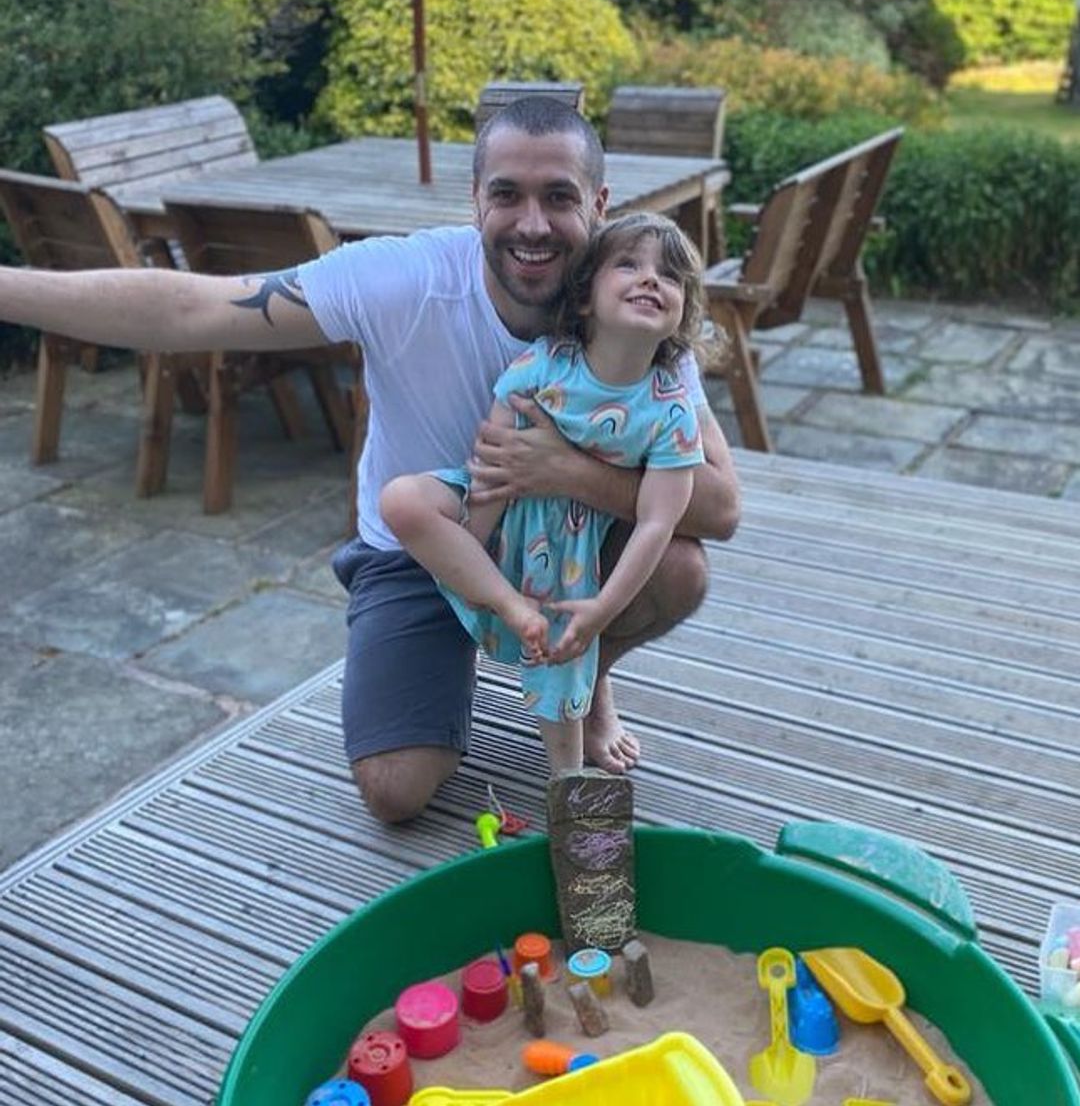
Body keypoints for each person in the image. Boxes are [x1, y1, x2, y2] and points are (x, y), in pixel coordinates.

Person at [0, 96, 740, 822]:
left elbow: (719, 507)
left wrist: (558, 470)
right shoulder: (406, 280)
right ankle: (494, 653)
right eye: (507, 195)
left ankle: (587, 679)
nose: (534, 224)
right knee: (395, 790)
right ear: (475, 200)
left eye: (559, 197)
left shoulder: (636, 308)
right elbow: (192, 308)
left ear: (599, 203)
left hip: (572, 542)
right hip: (426, 548)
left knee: (680, 567)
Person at [380, 212, 707, 778]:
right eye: (628, 265)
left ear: (682, 313)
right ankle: (510, 607)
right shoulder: (545, 363)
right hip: (501, 513)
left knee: (565, 666)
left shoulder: (670, 409)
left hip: (572, 552)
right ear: (585, 298)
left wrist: (601, 611)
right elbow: (494, 465)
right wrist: (476, 543)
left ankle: (567, 782)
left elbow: (657, 522)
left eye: (670, 276)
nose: (652, 280)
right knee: (402, 501)